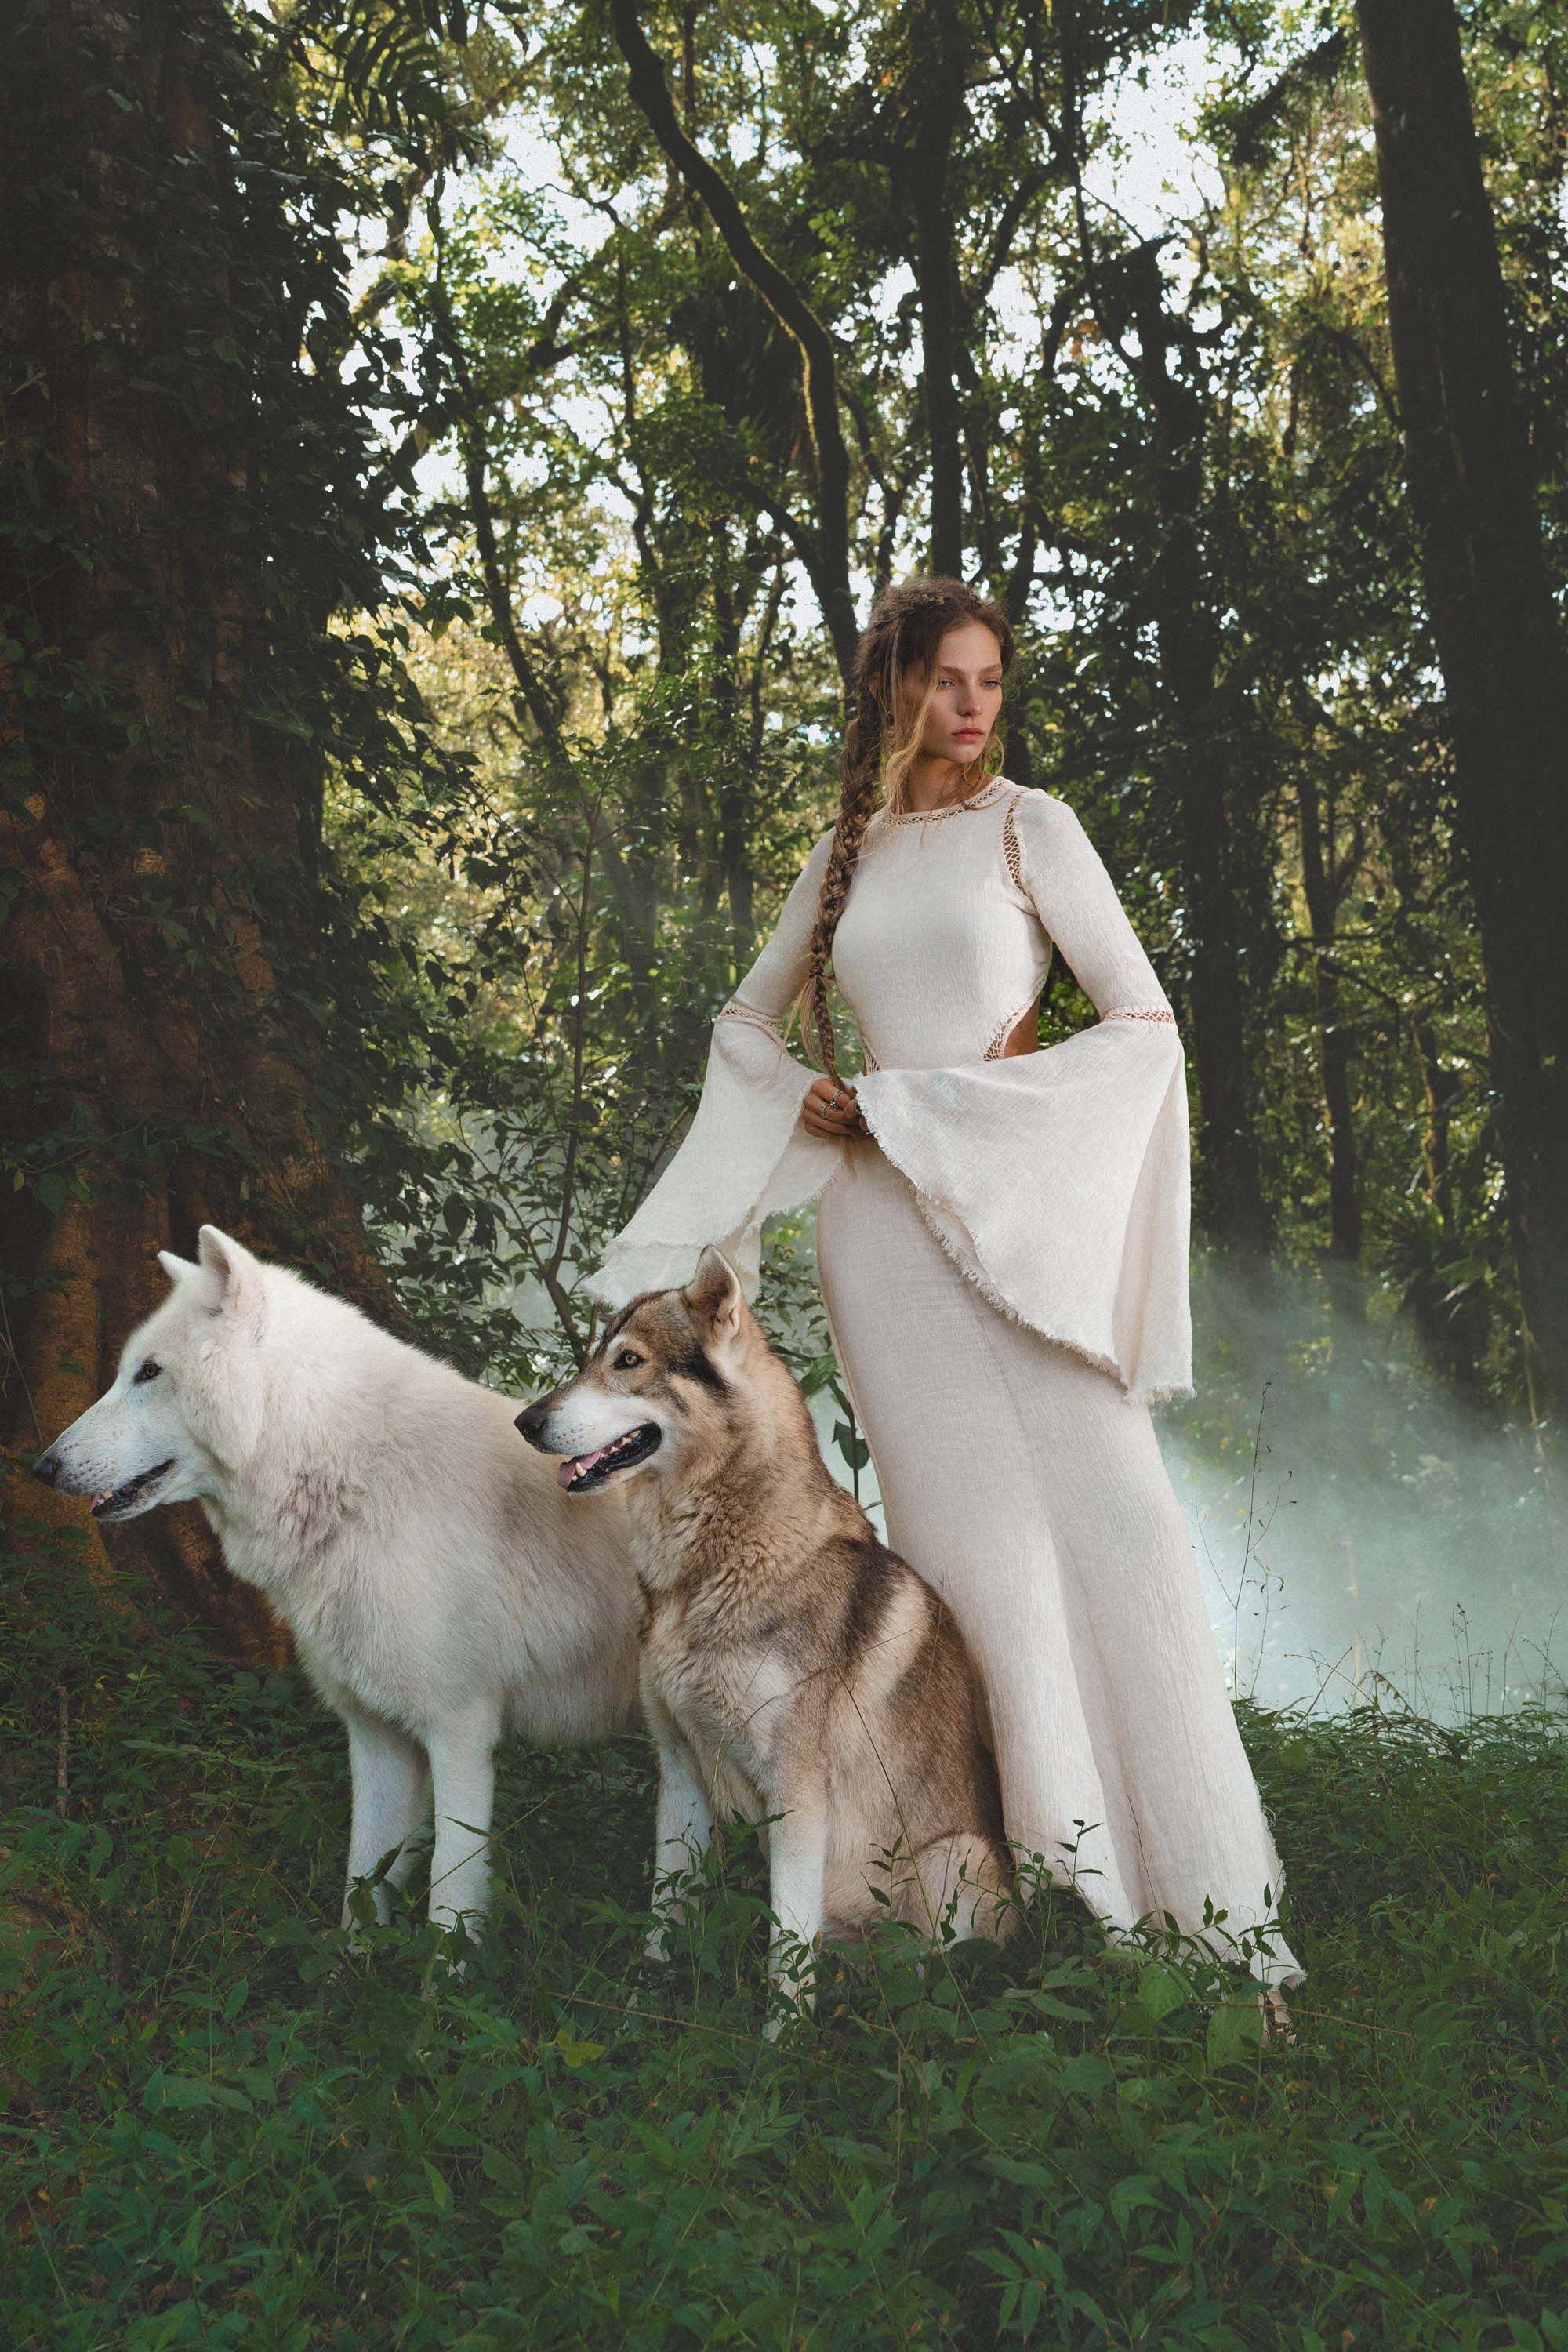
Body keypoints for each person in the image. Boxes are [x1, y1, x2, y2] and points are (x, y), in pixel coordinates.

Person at [589, 572, 1301, 2005]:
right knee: (970, 1560)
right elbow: (743, 1019)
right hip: (880, 1242)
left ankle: (1212, 1908)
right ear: (892, 686)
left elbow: (1145, 1025)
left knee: (1118, 1521)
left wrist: (945, 1107)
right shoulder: (845, 852)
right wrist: (817, 1098)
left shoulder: (1035, 830)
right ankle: (1049, 1892)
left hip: (1007, 1215)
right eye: (949, 680)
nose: (974, 707)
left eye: (992, 680)